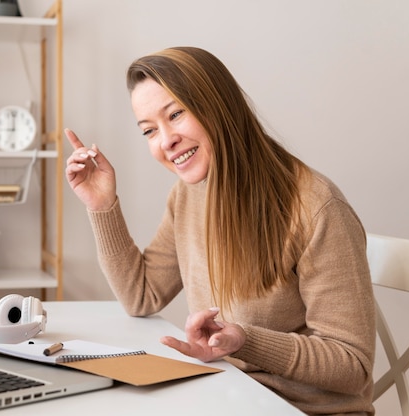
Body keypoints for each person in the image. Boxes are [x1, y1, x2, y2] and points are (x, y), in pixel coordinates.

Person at [65, 46, 375, 415]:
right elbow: (141, 296)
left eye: (176, 114)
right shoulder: (187, 195)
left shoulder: (315, 206)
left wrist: (244, 341)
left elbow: (353, 365)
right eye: (149, 130)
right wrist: (102, 207)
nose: (166, 141)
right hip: (228, 396)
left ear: (219, 105)